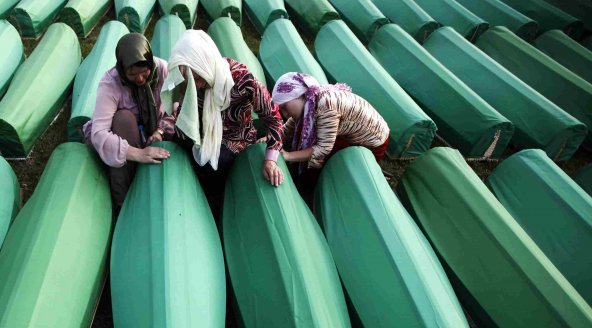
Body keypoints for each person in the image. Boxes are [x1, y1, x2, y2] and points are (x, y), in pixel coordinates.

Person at [161, 30, 284, 200]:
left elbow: (274, 119)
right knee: (174, 145)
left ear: (207, 65)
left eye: (198, 77)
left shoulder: (242, 80)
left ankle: (215, 202)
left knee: (215, 167)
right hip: (200, 130)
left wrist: (270, 159)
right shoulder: (188, 80)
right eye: (191, 80)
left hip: (234, 136)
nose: (196, 85)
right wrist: (164, 129)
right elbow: (181, 110)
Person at [85, 33, 174, 207]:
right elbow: (99, 133)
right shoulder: (111, 83)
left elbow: (178, 105)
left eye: (144, 72)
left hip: (152, 129)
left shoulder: (162, 70)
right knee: (123, 118)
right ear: (122, 69)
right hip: (122, 136)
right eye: (133, 74)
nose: (140, 79)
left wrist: (160, 130)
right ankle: (122, 203)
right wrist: (138, 154)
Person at [271, 72, 390, 188]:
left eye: (284, 107)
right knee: (309, 145)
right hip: (349, 132)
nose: (285, 114)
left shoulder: (326, 106)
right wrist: (274, 137)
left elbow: (323, 148)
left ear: (299, 95)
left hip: (373, 141)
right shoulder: (311, 98)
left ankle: (312, 189)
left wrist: (288, 156)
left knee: (326, 166)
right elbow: (291, 124)